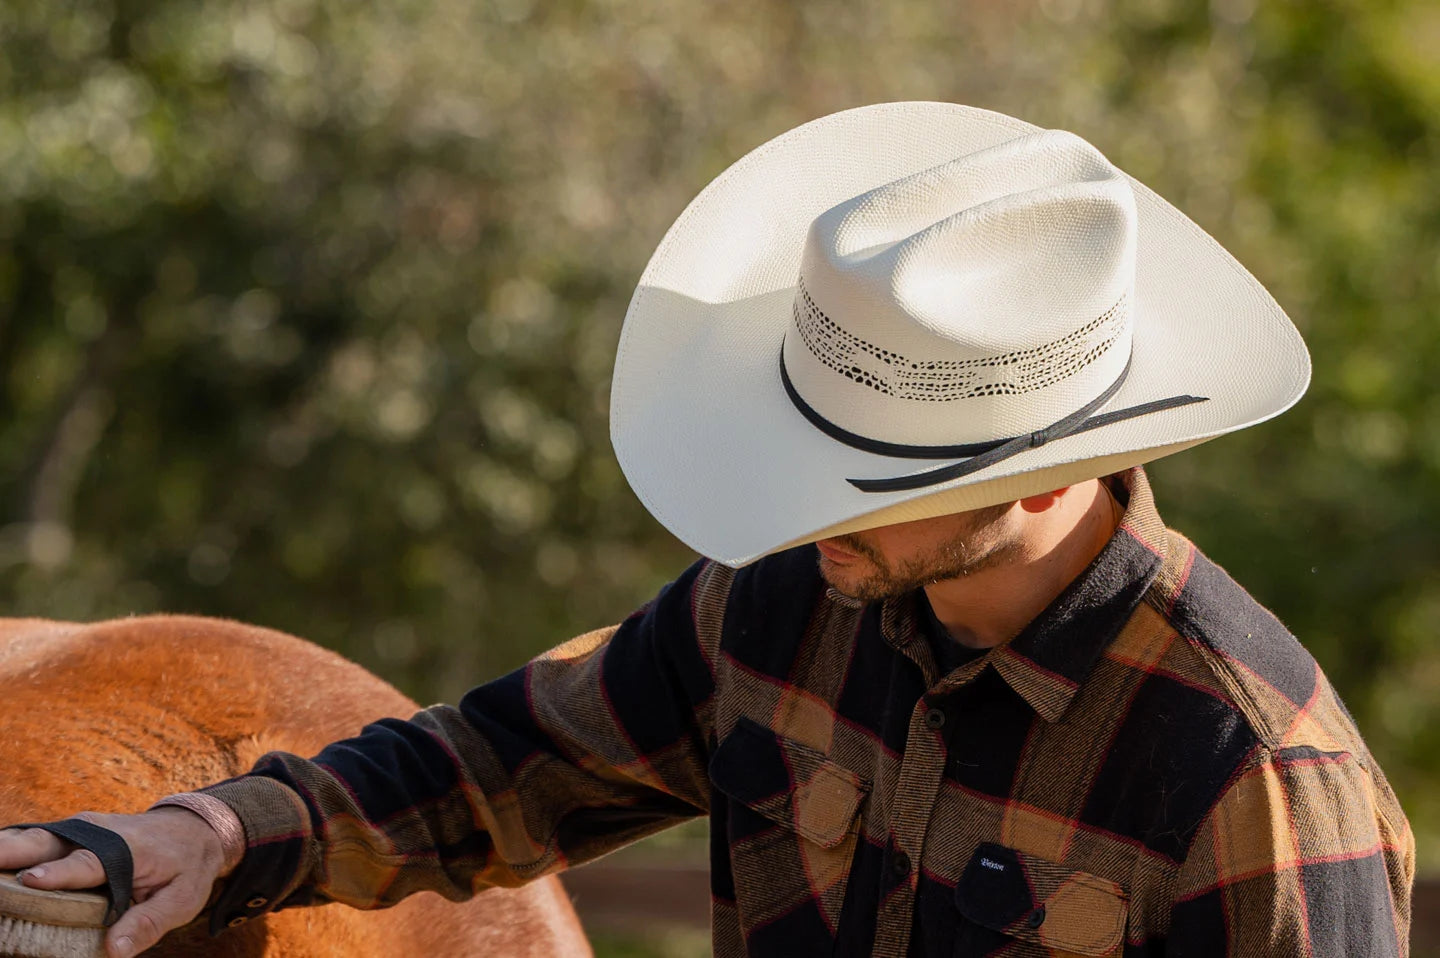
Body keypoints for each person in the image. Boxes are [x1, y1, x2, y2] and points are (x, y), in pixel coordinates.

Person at [0, 103, 1413, 957]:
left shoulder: (1258, 775)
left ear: (1043, 480)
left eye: (864, 482)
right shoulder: (789, 603)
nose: (804, 514)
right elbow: (503, 763)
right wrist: (218, 830)